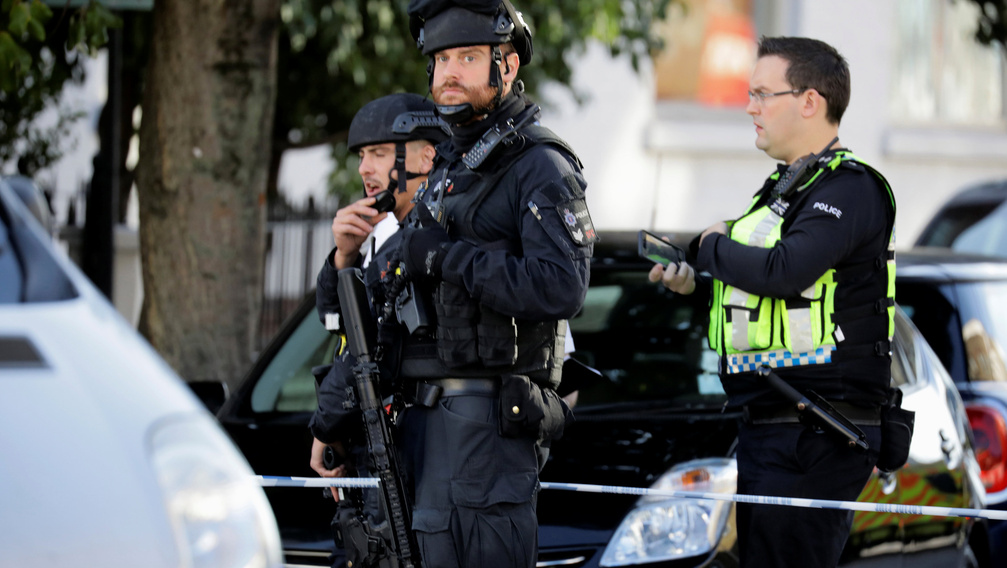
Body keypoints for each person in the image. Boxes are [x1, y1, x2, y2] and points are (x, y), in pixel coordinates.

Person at [353, 0, 597, 566]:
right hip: (421, 424)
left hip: (486, 429)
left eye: (467, 57)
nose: (449, 74)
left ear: (506, 67)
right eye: (440, 60)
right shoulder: (452, 167)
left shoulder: (540, 164)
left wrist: (446, 258)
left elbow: (562, 287)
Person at [650, 37, 896, 567]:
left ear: (809, 101)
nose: (749, 107)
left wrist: (712, 245)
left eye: (763, 94)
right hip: (776, 425)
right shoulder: (786, 189)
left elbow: (785, 272)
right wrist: (698, 283)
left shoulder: (850, 189)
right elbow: (780, 301)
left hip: (819, 431)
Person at [308, 92, 449, 490]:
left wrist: (326, 425)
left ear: (426, 159)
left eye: (379, 153)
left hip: (418, 455)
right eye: (361, 156)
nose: (364, 169)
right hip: (378, 445)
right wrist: (344, 258)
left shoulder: (428, 234)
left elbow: (369, 347)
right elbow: (337, 323)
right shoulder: (383, 229)